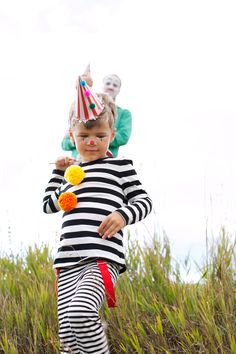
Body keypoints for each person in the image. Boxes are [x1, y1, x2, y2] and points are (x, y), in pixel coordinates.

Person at [43, 78, 152, 354]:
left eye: (100, 137)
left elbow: (144, 200)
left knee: (81, 313)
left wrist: (122, 214)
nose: (92, 142)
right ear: (72, 136)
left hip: (101, 258)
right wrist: (57, 172)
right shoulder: (71, 174)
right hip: (66, 262)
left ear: (112, 135)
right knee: (68, 336)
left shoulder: (119, 166)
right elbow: (47, 205)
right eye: (84, 137)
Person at [61, 68, 132, 158]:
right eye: (108, 83)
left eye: (115, 85)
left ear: (119, 90)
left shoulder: (124, 113)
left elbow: (123, 137)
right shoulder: (79, 110)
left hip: (105, 164)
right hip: (77, 163)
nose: (111, 86)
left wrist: (102, 138)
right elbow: (64, 143)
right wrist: (79, 140)